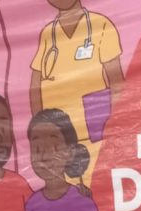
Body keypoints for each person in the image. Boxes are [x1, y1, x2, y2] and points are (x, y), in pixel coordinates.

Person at [30, 0, 124, 184]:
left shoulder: (100, 25)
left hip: (95, 133)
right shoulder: (48, 34)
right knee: (66, 194)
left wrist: (115, 126)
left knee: (99, 186)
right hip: (58, 139)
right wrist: (40, 131)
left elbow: (117, 83)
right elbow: (35, 87)